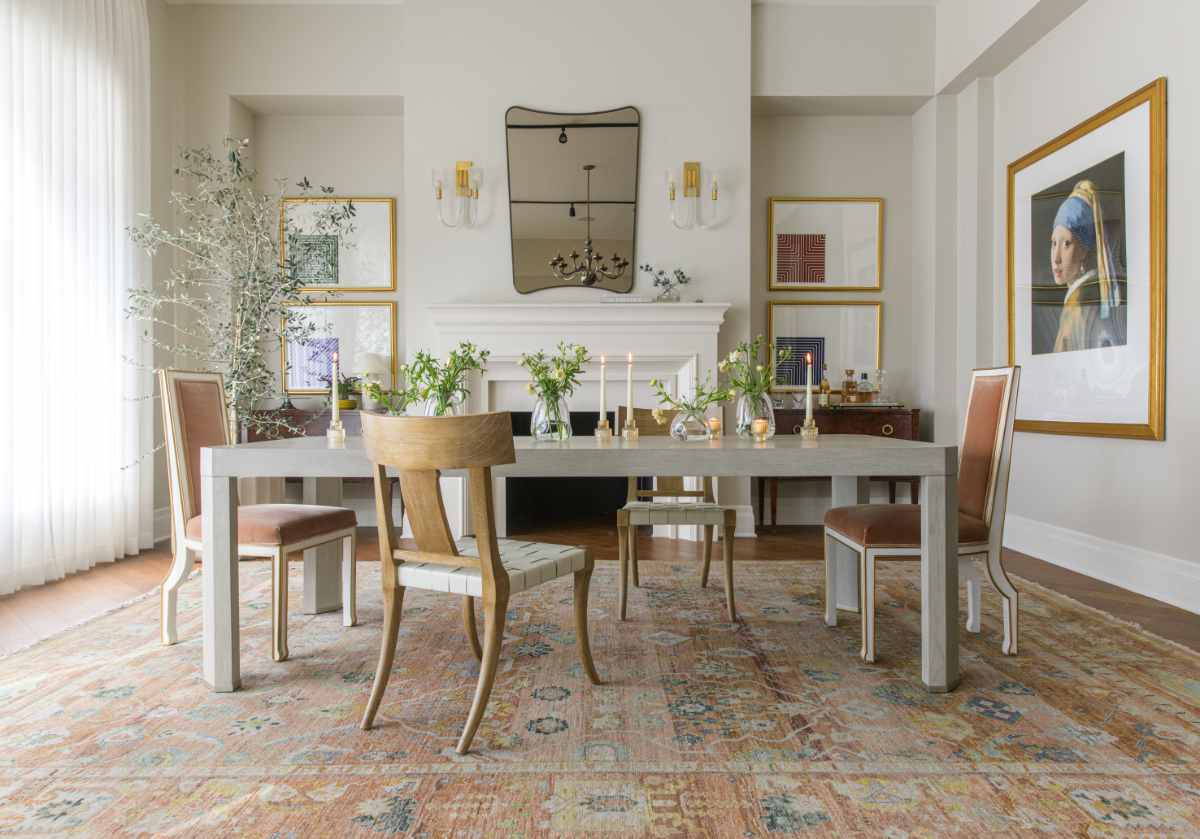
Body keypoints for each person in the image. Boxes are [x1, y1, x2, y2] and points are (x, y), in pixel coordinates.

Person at [1048, 180, 1126, 353]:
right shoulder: (1082, 296)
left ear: (1084, 250)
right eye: (1054, 243)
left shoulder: (1080, 300)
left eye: (1066, 244)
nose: (1056, 258)